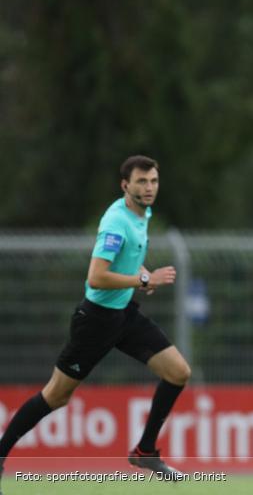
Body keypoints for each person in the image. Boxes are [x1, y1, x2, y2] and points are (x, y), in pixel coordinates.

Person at [0, 156, 190, 492]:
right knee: (56, 397)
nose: (149, 188)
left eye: (154, 181)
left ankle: (145, 451)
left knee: (178, 372)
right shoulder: (116, 222)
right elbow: (97, 277)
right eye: (142, 182)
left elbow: (129, 261)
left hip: (124, 315)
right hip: (96, 321)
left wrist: (141, 280)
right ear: (125, 185)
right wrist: (144, 277)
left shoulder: (142, 213)